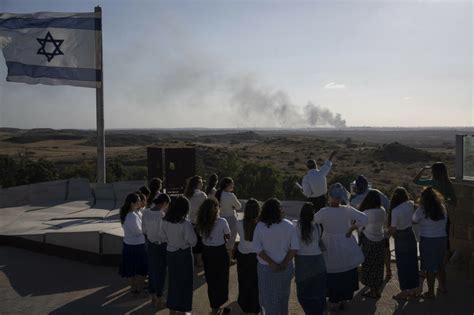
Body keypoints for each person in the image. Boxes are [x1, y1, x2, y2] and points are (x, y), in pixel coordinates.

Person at [314, 183, 368, 311]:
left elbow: (311, 222)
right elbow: (365, 218)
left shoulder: (324, 211)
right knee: (347, 271)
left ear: (329, 197)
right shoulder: (347, 209)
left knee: (332, 272)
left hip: (329, 244)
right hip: (346, 242)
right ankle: (344, 298)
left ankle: (333, 300)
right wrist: (352, 228)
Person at [253, 198, 299, 315]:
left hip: (266, 268)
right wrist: (284, 263)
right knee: (283, 297)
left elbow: (258, 249)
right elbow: (294, 248)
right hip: (286, 267)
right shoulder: (289, 225)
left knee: (268, 299)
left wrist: (271, 263)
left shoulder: (260, 226)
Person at [350, 175, 392, 279]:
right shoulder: (376, 193)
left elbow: (353, 219)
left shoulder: (355, 201)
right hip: (382, 228)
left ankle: (368, 273)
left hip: (365, 232)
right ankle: (388, 270)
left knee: (367, 252)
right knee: (385, 249)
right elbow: (388, 205)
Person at [160, 196, 197, 314]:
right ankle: (183, 309)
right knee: (185, 282)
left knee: (173, 281)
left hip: (171, 253)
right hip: (184, 253)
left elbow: (162, 237)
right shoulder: (185, 223)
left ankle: (172, 309)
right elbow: (193, 241)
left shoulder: (164, 221)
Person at [196, 198, 231, 315]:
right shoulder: (222, 221)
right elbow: (228, 235)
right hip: (220, 252)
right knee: (222, 279)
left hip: (207, 252)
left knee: (211, 280)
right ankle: (220, 303)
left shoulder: (201, 221)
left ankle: (214, 306)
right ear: (216, 209)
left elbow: (201, 236)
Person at [413, 162, 457, 253]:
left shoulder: (432, 182)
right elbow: (454, 201)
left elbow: (416, 181)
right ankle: (444, 263)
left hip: (430, 212)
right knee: (445, 240)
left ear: (434, 172)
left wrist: (423, 169)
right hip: (444, 213)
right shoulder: (448, 184)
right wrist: (444, 201)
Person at [412, 187, 448, 299]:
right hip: (442, 238)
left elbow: (413, 220)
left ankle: (430, 292)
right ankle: (442, 286)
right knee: (440, 264)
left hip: (428, 240)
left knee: (429, 268)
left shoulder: (421, 210)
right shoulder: (442, 207)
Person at [294, 203, 327, 315]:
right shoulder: (317, 226)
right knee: (318, 290)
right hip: (317, 259)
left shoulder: (297, 226)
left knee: (303, 292)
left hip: (302, 260)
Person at [388, 187, 419, 300]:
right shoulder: (410, 203)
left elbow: (393, 229)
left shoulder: (395, 211)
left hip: (400, 237)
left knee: (402, 265)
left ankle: (404, 291)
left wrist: (386, 235)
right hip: (410, 234)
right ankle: (414, 289)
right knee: (412, 262)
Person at [142, 193, 170, 308]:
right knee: (162, 273)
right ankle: (160, 298)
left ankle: (153, 296)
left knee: (152, 271)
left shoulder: (146, 212)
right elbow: (164, 234)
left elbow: (144, 230)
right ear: (164, 203)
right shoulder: (162, 215)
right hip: (162, 245)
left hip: (150, 244)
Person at [358, 190, 386, 299]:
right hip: (380, 240)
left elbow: (360, 226)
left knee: (369, 265)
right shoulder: (382, 210)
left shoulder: (367, 213)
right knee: (378, 266)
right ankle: (377, 289)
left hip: (369, 240)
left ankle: (373, 291)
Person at [118, 193, 148, 296]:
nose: (140, 202)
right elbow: (137, 231)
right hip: (137, 245)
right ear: (132, 203)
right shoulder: (131, 216)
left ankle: (133, 288)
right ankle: (138, 288)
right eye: (138, 200)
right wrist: (146, 229)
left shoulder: (129, 213)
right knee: (140, 268)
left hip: (129, 244)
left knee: (130, 268)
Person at [236, 199, 261, 315]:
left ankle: (245, 306)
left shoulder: (239, 223)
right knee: (256, 282)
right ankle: (256, 307)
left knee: (243, 280)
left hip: (242, 255)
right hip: (256, 256)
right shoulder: (261, 225)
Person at [215, 177, 242, 259]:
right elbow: (239, 206)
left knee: (222, 239)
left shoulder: (218, 193)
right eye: (232, 184)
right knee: (230, 241)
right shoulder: (231, 195)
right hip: (231, 219)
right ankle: (229, 258)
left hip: (220, 217)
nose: (233, 185)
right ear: (227, 185)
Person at [184, 175, 207, 267]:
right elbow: (205, 208)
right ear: (197, 184)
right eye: (201, 182)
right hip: (199, 221)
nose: (202, 184)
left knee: (191, 241)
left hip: (188, 222)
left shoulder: (187, 195)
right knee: (200, 242)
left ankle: (192, 261)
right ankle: (199, 261)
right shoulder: (202, 195)